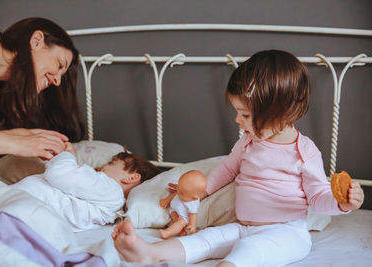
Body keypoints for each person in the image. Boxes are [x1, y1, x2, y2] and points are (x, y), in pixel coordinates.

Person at [111, 50, 365, 266]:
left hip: (286, 232)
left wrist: (343, 204)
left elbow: (318, 197)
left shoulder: (304, 151)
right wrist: (201, 190)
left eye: (245, 115)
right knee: (205, 240)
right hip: (242, 225)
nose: (237, 120)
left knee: (248, 252)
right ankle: (149, 253)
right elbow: (228, 170)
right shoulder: (248, 142)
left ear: (281, 112)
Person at [0, 16, 85, 161]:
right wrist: (19, 143)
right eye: (60, 64)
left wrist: (20, 135)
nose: (57, 81)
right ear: (36, 41)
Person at [12, 143, 161, 232]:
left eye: (108, 164)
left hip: (20, 208)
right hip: (19, 205)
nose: (98, 167)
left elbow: (60, 173)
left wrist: (68, 154)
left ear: (132, 177)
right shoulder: (109, 198)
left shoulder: (112, 191)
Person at [158, 170, 207, 239]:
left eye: (182, 193)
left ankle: (167, 233)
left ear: (194, 198)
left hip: (184, 217)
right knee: (174, 216)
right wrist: (167, 200)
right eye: (179, 187)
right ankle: (182, 231)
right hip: (174, 210)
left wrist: (192, 225)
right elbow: (175, 193)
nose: (178, 192)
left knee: (180, 223)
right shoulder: (181, 190)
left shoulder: (192, 203)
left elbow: (193, 215)